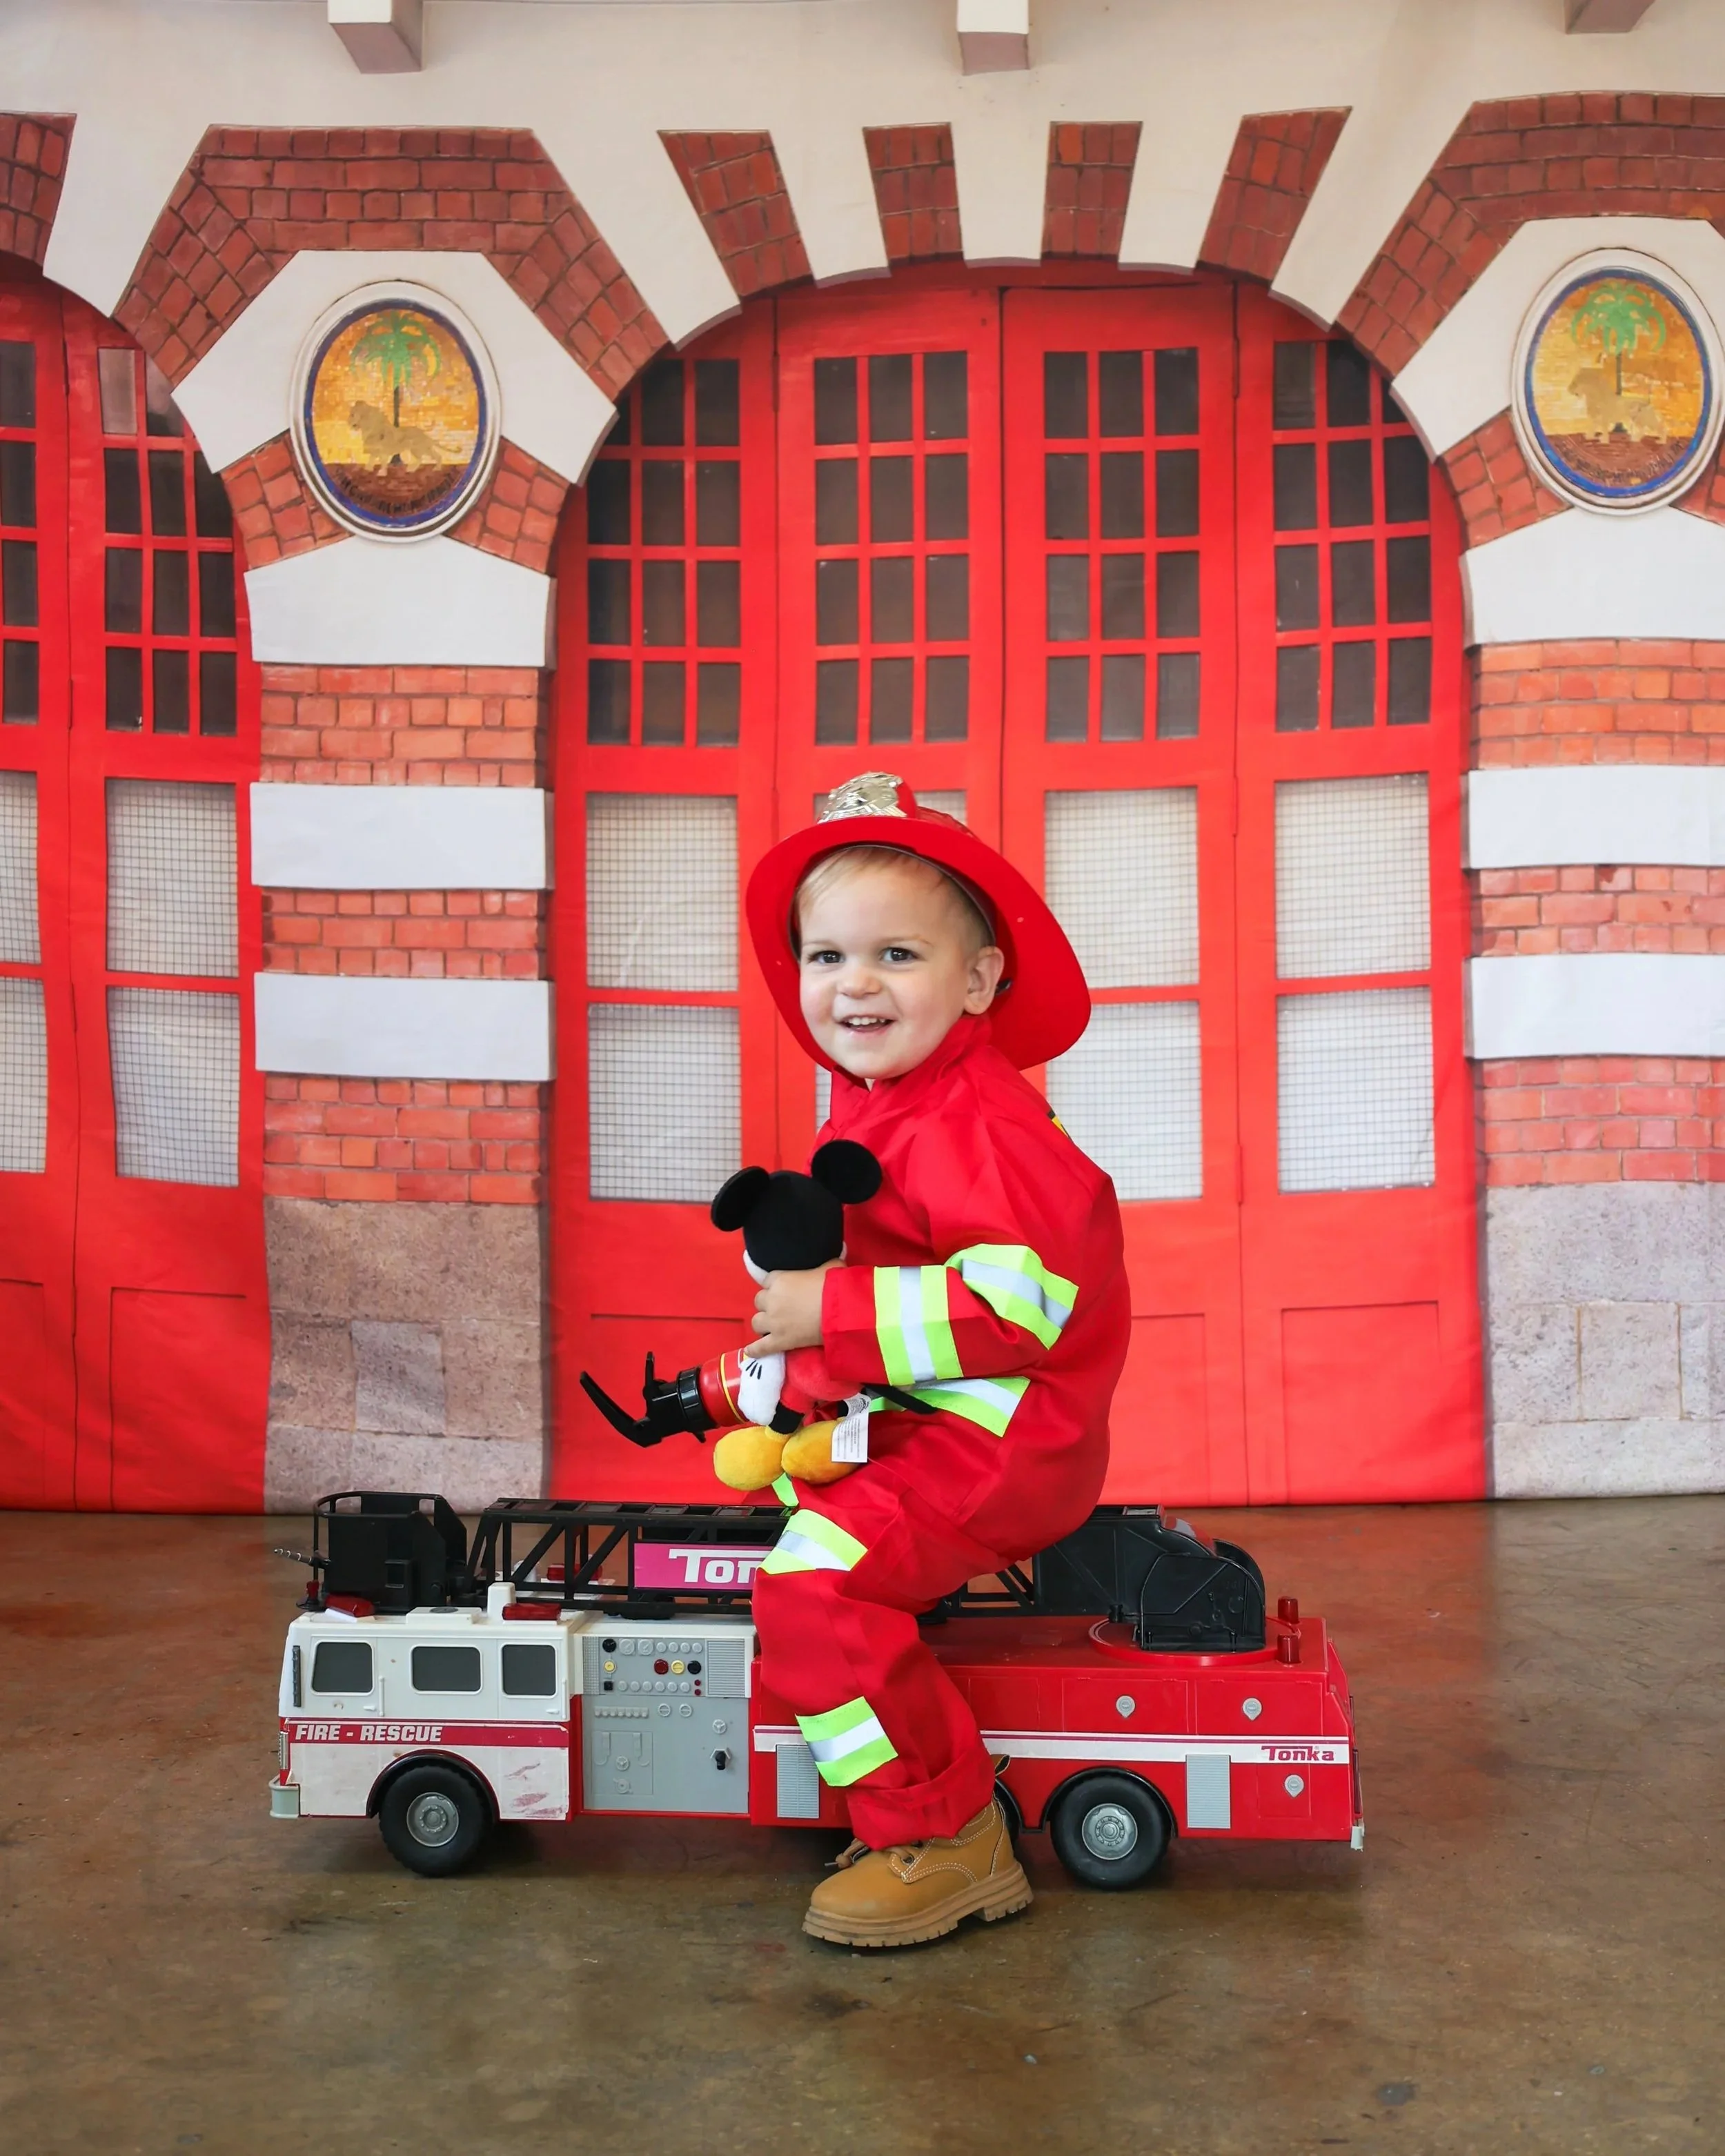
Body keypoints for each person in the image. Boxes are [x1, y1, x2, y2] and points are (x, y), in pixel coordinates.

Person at [744, 771, 1131, 1948]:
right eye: (826, 956)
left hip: (1005, 1439)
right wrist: (796, 1372)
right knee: (793, 1526)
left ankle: (946, 1832)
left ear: (979, 980)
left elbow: (1026, 1312)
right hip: (941, 1418)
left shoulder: (980, 1123)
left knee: (815, 1585)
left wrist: (833, 1313)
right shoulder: (883, 1102)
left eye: (897, 955)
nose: (854, 984)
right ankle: (900, 1797)